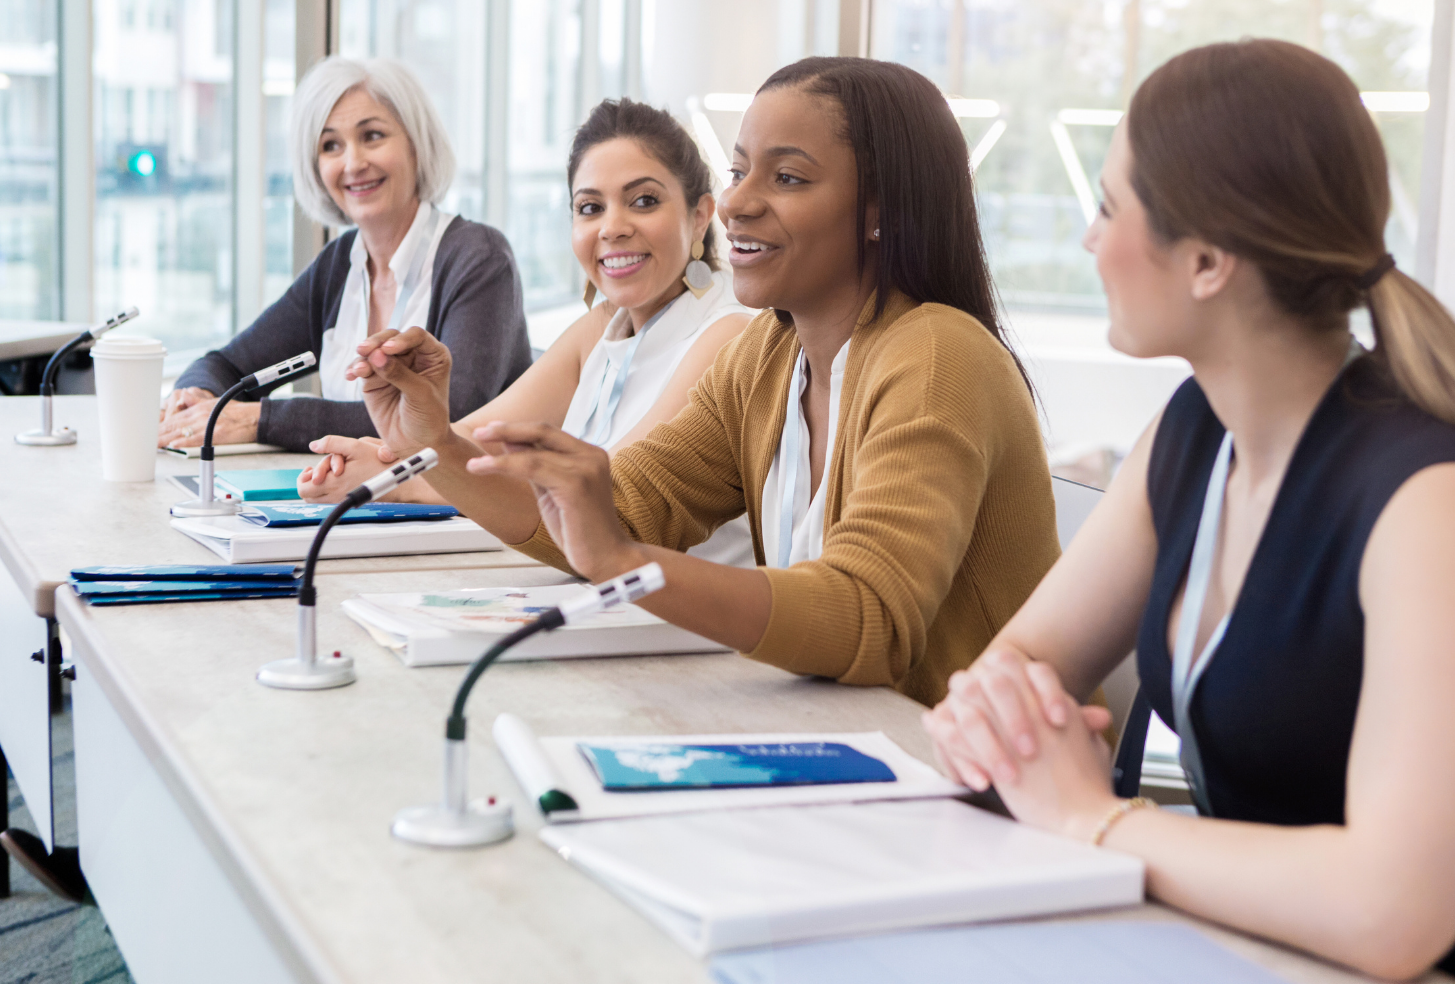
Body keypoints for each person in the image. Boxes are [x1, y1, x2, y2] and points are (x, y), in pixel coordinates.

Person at [921, 40, 1455, 984]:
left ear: (1205, 261)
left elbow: (1397, 911)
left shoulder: (1428, 494)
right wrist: (999, 724)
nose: (1088, 240)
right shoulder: (1191, 431)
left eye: (1109, 207)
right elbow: (1016, 669)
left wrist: (1089, 818)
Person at [344, 57, 1057, 705]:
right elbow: (617, 513)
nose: (741, 201)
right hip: (848, 747)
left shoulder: (936, 357)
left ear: (880, 211)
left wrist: (627, 562)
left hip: (970, 796)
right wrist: (436, 438)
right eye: (741, 170)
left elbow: (868, 620)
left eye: (788, 177)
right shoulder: (768, 357)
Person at [296, 99, 755, 565]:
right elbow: (480, 436)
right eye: (590, 207)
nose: (612, 228)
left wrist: (400, 481)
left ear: (700, 215)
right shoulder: (602, 325)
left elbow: (607, 502)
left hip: (680, 623)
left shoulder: (726, 335)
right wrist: (388, 457)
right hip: (600, 602)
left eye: (644, 201)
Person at [157, 56, 531, 452]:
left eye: (372, 136)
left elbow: (449, 417)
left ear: (417, 145)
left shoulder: (479, 259)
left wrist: (261, 419)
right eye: (330, 145)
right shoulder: (339, 266)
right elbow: (226, 366)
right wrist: (193, 398)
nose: (353, 163)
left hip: (464, 511)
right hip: (363, 501)